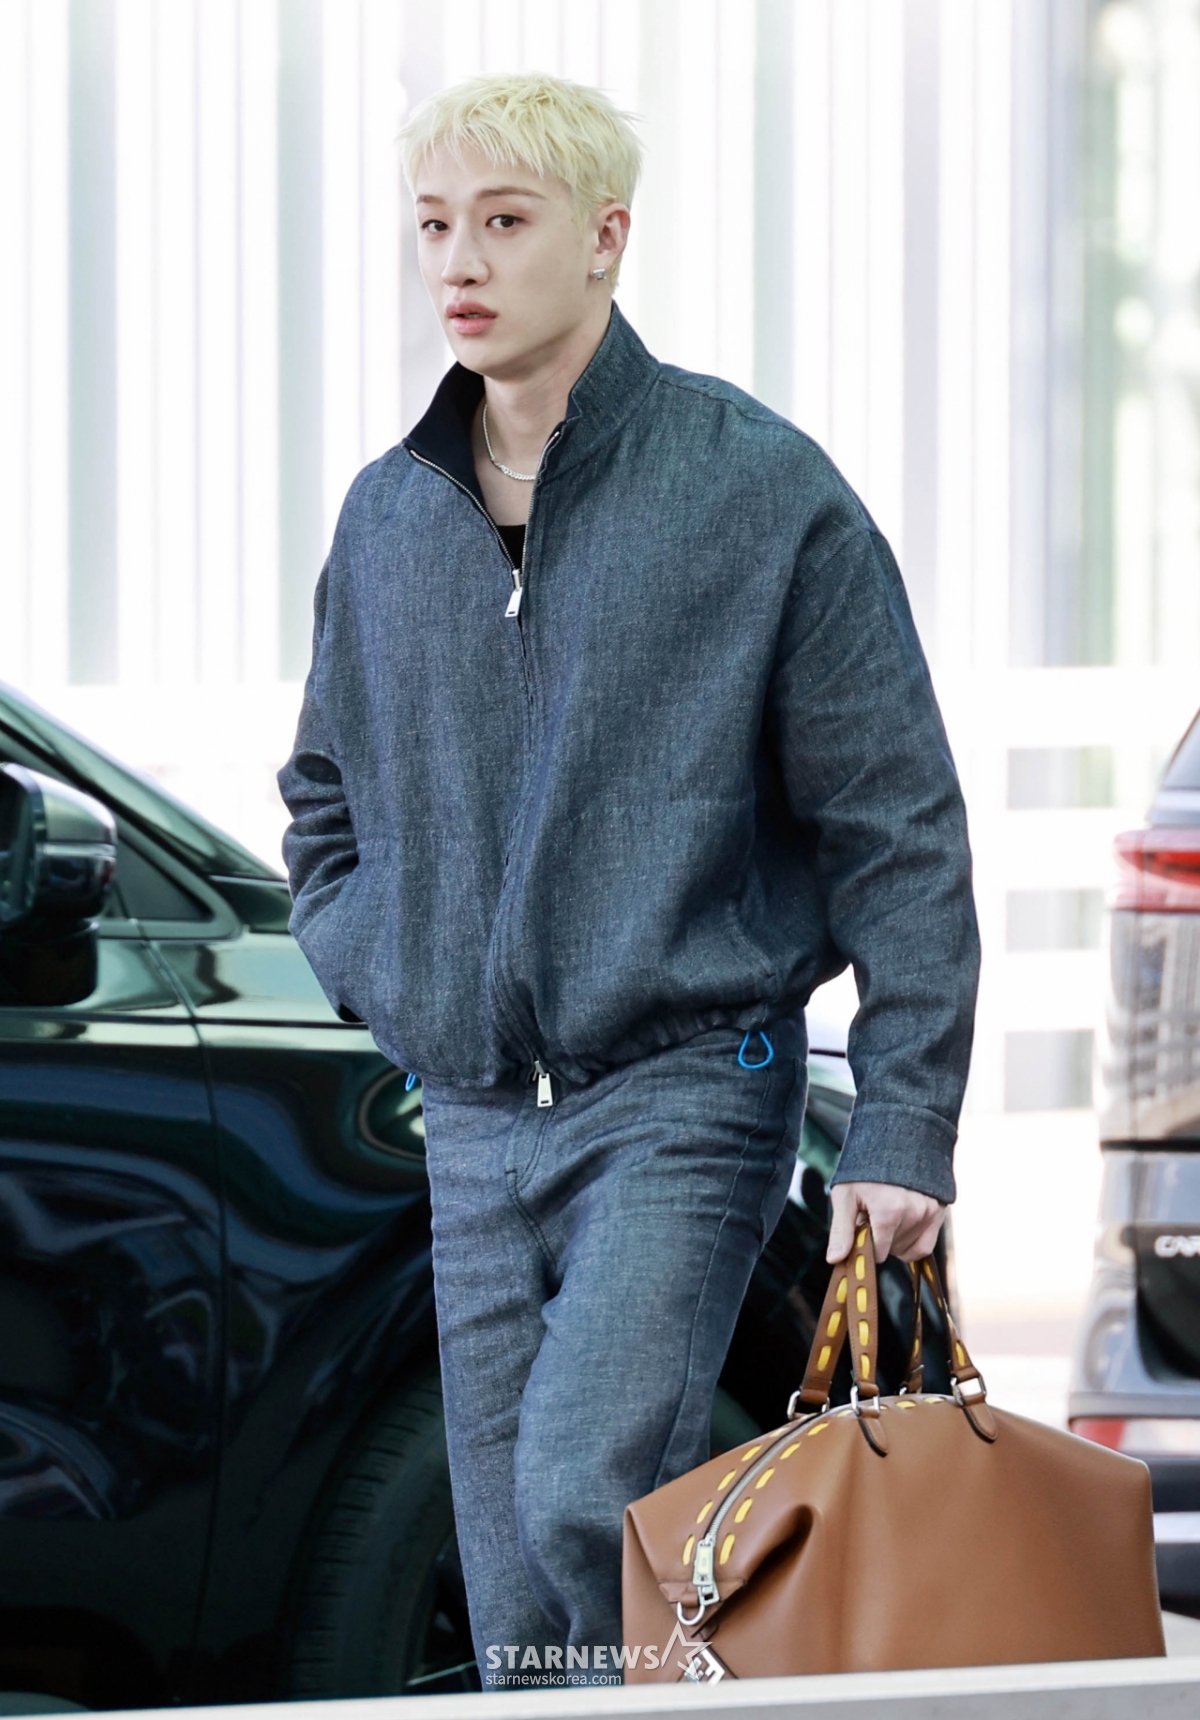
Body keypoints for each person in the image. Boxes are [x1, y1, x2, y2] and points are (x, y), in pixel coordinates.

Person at [277, 71, 980, 1687]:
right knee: (514, 1601)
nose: (460, 261)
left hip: (686, 1092)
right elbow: (323, 803)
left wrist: (904, 1120)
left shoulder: (760, 494)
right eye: (435, 225)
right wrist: (393, 968)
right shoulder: (389, 518)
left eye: (503, 222)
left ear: (605, 239)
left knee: (584, 1491)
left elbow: (898, 824)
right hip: (473, 1118)